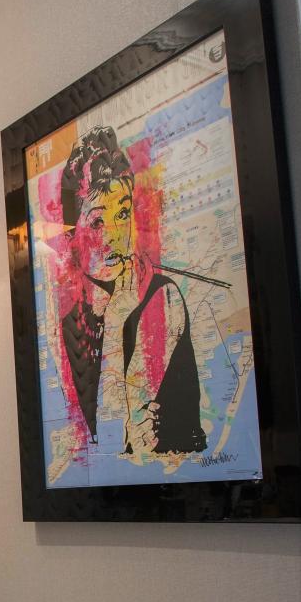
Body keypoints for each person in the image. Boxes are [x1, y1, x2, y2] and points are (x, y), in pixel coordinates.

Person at [59, 126, 206, 458]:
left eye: (122, 213)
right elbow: (95, 451)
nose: (115, 234)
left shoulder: (160, 299)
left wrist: (116, 323)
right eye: (97, 222)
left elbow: (118, 445)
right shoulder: (70, 324)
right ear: (72, 238)